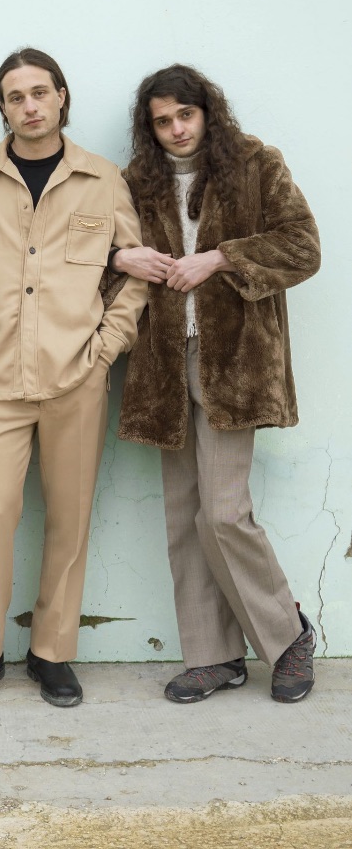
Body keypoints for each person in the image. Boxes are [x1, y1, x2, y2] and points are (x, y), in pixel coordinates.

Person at [0, 48, 147, 707]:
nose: (28, 106)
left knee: (69, 517)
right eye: (14, 97)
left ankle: (52, 652)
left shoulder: (103, 179)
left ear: (61, 97)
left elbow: (135, 272)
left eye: (39, 92)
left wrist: (105, 349)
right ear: (2, 108)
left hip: (76, 377)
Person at [113, 64, 320, 703]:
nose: (177, 129)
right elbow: (100, 262)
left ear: (207, 112)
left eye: (186, 115)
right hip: (163, 366)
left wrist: (220, 257)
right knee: (184, 517)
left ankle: (287, 637)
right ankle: (213, 657)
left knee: (224, 513)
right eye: (163, 121)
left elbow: (302, 247)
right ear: (150, 129)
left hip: (235, 364)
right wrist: (122, 258)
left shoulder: (256, 162)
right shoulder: (136, 182)